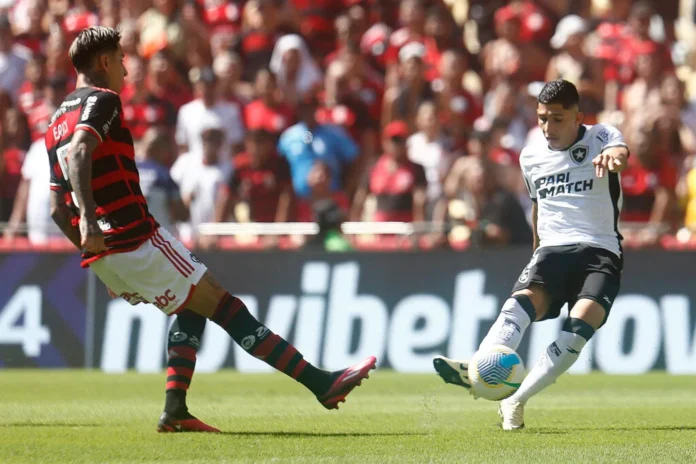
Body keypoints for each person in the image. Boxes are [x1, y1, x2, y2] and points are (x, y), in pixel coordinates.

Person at [44, 26, 376, 434]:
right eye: (123, 61)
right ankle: (320, 383)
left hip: (107, 250)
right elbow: (81, 152)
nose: (127, 73)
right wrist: (97, 228)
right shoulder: (103, 99)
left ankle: (176, 410)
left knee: (193, 306)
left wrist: (95, 252)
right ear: (105, 62)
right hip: (133, 235)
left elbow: (57, 209)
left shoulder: (55, 121)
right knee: (224, 305)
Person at [433, 79, 629, 430]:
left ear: (577, 116)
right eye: (542, 118)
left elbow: (620, 153)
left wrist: (615, 157)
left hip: (601, 248)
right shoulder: (531, 156)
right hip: (552, 248)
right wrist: (536, 248)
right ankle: (480, 366)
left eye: (557, 118)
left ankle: (515, 399)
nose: (547, 127)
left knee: (580, 326)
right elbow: (538, 207)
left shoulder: (601, 136)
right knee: (519, 304)